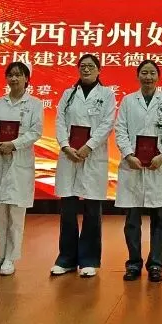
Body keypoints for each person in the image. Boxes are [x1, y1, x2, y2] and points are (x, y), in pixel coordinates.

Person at [115, 60, 162, 283]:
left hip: (158, 166)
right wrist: (128, 154)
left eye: (152, 73)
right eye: (144, 73)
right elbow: (120, 129)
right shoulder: (127, 101)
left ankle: (156, 264)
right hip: (133, 165)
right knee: (132, 220)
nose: (148, 77)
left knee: (158, 220)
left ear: (158, 77)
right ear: (138, 76)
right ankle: (133, 263)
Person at [51, 53, 116, 278]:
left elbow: (107, 123)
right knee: (68, 210)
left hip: (93, 156)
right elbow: (59, 121)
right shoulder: (68, 94)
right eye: (83, 66)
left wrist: (89, 146)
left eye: (91, 66)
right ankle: (66, 258)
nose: (86, 69)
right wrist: (64, 145)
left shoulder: (107, 94)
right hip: (69, 155)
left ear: (99, 70)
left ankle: (89, 259)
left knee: (92, 210)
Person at [0, 62, 43, 276]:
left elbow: (35, 132)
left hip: (19, 161)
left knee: (15, 212)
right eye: (11, 75)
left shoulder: (35, 104)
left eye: (19, 75)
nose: (14, 79)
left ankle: (11, 257)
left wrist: (13, 144)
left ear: (27, 79)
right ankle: (0, 254)